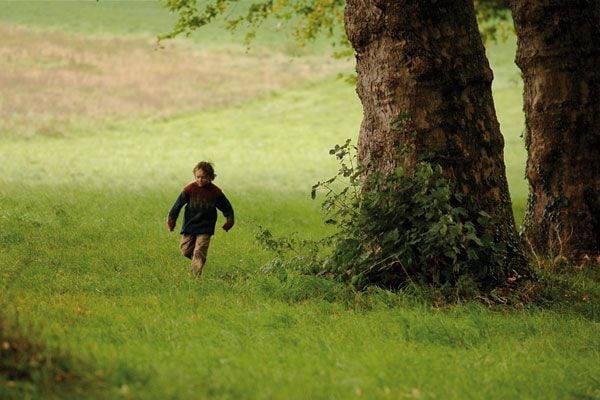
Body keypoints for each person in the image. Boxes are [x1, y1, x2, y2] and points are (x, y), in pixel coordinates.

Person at [167, 161, 234, 276]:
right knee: (185, 250)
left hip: (206, 227)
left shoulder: (215, 192)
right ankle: (197, 260)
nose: (200, 180)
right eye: (198, 177)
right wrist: (171, 220)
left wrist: (229, 221)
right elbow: (177, 205)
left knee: (199, 251)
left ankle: (195, 275)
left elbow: (227, 207)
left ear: (211, 177)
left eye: (203, 177)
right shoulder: (189, 189)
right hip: (190, 225)